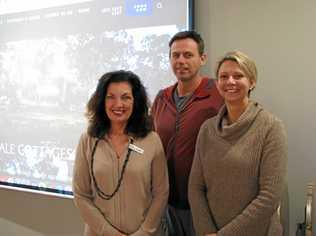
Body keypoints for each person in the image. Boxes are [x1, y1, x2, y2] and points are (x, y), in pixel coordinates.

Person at [188, 51, 288, 236]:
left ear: (252, 82)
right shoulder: (207, 129)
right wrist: (206, 231)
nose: (230, 82)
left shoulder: (271, 128)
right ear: (217, 83)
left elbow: (269, 197)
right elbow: (195, 187)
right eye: (224, 77)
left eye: (238, 76)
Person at [72, 70, 169, 236]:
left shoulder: (152, 140)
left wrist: (144, 232)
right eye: (111, 97)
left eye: (126, 97)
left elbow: (161, 193)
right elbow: (81, 195)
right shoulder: (88, 139)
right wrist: (109, 233)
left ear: (135, 102)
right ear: (102, 101)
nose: (118, 104)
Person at [151, 31, 224, 236]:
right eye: (175, 55)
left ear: (202, 59)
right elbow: (147, 141)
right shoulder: (162, 98)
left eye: (188, 55)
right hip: (168, 202)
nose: (181, 61)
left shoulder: (218, 94)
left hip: (205, 204)